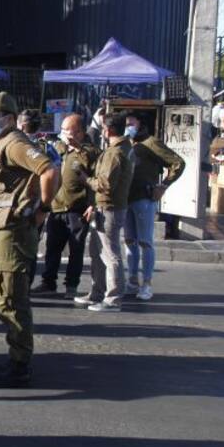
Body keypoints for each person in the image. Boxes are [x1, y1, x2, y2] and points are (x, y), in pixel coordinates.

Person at [0, 92, 59, 388]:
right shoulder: (6, 143)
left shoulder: (15, 144)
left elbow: (50, 170)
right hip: (7, 231)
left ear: (9, 118)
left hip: (15, 232)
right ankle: (17, 359)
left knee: (11, 299)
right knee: (6, 298)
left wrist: (44, 210)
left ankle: (20, 365)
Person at [34, 113, 99, 299]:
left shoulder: (91, 152)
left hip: (77, 208)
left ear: (79, 131)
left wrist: (92, 205)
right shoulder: (58, 148)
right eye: (62, 130)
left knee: (76, 249)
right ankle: (48, 282)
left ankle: (71, 285)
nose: (63, 133)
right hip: (56, 206)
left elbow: (97, 180)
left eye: (67, 130)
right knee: (52, 247)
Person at [74, 112, 134, 312]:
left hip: (110, 208)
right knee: (97, 251)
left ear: (107, 130)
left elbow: (105, 184)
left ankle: (113, 297)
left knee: (110, 254)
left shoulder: (114, 153)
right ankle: (97, 292)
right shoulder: (120, 149)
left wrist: (85, 180)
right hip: (104, 206)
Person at [123, 112, 185, 301]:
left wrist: (164, 185)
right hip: (125, 199)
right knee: (129, 242)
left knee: (145, 242)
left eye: (130, 123)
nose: (127, 126)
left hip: (144, 197)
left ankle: (147, 283)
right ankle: (132, 280)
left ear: (139, 122)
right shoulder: (123, 144)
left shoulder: (151, 143)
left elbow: (178, 163)